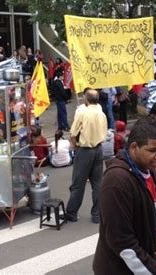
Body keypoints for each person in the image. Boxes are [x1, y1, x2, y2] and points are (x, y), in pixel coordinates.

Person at [93, 116, 156, 275]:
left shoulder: (149, 170)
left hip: (147, 260)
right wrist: (155, 271)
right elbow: (121, 240)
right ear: (134, 147)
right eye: (152, 151)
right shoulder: (116, 181)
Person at [66, 89, 107, 224]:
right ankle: (97, 214)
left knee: (78, 184)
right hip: (99, 149)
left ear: (86, 99)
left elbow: (72, 133)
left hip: (85, 150)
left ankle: (71, 213)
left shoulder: (83, 112)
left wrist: (75, 146)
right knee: (97, 183)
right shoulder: (101, 113)